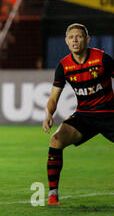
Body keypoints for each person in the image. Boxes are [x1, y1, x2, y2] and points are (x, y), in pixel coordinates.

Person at [42, 23, 113, 205]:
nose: (75, 40)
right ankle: (53, 195)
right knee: (56, 140)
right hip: (84, 116)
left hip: (109, 113)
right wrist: (48, 113)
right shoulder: (64, 66)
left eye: (79, 36)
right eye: (71, 37)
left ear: (87, 40)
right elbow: (53, 97)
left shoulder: (102, 59)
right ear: (66, 41)